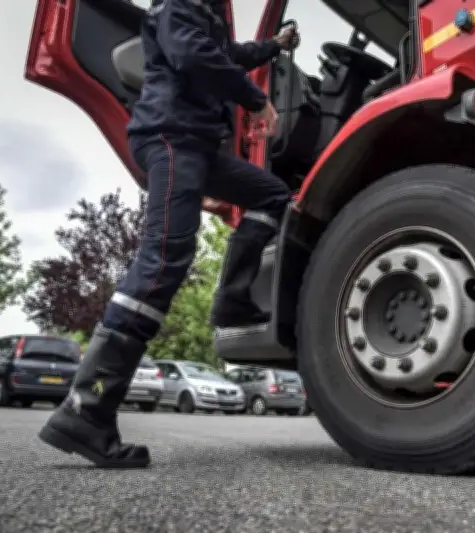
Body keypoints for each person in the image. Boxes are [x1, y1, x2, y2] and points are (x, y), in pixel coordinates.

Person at [37, 0, 300, 468]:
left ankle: (232, 299)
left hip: (195, 143)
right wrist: (256, 99)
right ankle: (87, 408)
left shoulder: (203, 18)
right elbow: (195, 57)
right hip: (172, 135)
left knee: (272, 196)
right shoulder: (175, 7)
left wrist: (272, 47)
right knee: (163, 261)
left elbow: (226, 54)